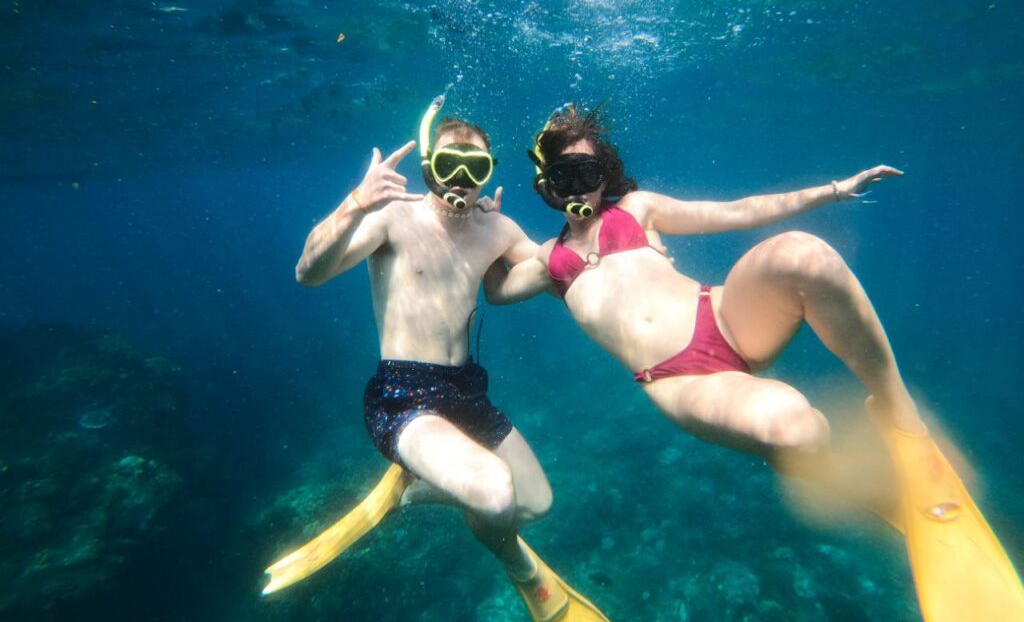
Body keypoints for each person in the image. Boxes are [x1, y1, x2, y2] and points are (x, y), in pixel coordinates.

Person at [486, 104, 1024, 620]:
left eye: (589, 171)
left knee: (803, 254)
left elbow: (739, 211)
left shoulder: (637, 209)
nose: (579, 187)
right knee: (799, 430)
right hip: (679, 380)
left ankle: (900, 415)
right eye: (565, 175)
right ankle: (848, 486)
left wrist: (835, 190)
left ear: (606, 175)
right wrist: (483, 230)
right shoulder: (549, 261)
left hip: (724, 315)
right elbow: (497, 290)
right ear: (547, 185)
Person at [262, 96, 610, 622]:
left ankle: (413, 490)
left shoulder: (495, 228)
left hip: (466, 389)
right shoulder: (393, 218)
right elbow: (306, 272)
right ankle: (523, 572)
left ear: (488, 171)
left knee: (536, 503)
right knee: (495, 495)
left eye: (476, 169)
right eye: (450, 165)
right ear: (430, 167)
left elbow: (543, 270)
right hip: (403, 397)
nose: (462, 181)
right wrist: (356, 202)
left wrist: (606, 251)